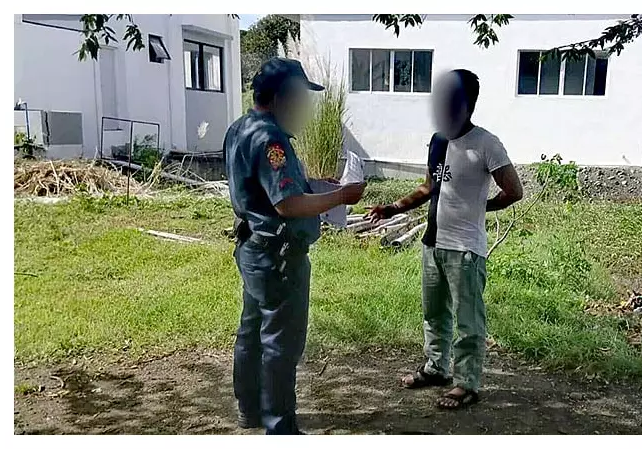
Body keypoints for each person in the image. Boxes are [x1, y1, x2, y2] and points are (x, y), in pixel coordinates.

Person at [224, 57, 366, 434]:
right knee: (280, 343)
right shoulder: (271, 138)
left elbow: (267, 188)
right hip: (279, 257)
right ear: (281, 97)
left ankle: (250, 410)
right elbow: (287, 204)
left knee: (252, 331)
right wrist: (342, 196)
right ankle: (280, 427)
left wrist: (316, 186)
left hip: (254, 249)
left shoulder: (241, 128)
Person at [367, 69, 523, 410]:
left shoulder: (486, 144)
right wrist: (392, 208)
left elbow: (514, 190)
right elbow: (429, 187)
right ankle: (437, 368)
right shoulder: (438, 140)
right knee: (434, 314)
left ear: (467, 104)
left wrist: (482, 207)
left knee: (468, 321)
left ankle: (467, 383)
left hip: (465, 250)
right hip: (433, 244)